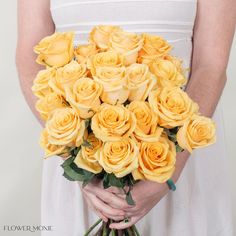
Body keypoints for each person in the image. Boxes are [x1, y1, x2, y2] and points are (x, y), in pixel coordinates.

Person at [16, 0, 236, 235]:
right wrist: (80, 162)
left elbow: (211, 64)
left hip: (179, 156)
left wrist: (166, 174)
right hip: (85, 166)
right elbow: (28, 58)